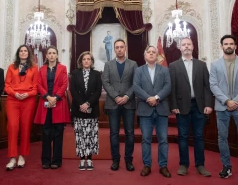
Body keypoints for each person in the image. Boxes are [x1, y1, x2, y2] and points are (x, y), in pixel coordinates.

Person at [209, 35, 238, 181]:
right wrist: (227, 101)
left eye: (231, 43)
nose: (228, 46)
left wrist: (236, 101)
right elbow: (213, 85)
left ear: (235, 46)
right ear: (221, 46)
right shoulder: (214, 64)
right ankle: (226, 166)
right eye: (226, 43)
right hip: (222, 107)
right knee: (222, 138)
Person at [168, 37, 213, 177]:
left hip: (199, 106)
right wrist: (173, 105)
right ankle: (184, 164)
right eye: (184, 45)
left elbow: (207, 86)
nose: (186, 46)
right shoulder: (173, 66)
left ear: (193, 47)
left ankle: (200, 165)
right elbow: (172, 88)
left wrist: (208, 104)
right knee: (183, 136)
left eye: (189, 44)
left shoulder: (201, 65)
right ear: (180, 48)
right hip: (181, 107)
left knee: (199, 136)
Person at [133, 46, 171, 178]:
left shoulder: (165, 70)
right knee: (146, 139)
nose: (151, 54)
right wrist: (148, 98)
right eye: (148, 52)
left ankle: (163, 166)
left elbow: (168, 86)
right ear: (145, 56)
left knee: (163, 139)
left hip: (161, 109)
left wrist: (156, 98)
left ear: (157, 55)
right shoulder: (138, 70)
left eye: (153, 52)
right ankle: (147, 165)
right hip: (145, 109)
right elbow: (136, 87)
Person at [102, 39, 138, 171]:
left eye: (121, 47)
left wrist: (127, 96)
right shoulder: (108, 64)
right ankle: (115, 160)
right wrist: (116, 96)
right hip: (113, 103)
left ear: (125, 48)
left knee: (130, 133)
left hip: (129, 103)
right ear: (114, 49)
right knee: (114, 133)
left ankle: (129, 160)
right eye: (116, 47)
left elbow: (136, 83)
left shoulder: (133, 64)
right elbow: (105, 82)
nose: (119, 49)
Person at [34, 46, 71, 169]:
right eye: (49, 53)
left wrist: (54, 98)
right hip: (45, 103)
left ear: (57, 55)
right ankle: (45, 160)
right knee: (45, 132)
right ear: (46, 55)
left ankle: (56, 160)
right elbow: (38, 84)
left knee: (58, 133)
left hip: (58, 103)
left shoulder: (63, 68)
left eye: (53, 53)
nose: (51, 55)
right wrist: (47, 96)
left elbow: (64, 84)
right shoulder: (42, 69)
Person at [4, 45, 38, 170]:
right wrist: (15, 93)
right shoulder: (11, 67)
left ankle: (22, 156)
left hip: (28, 101)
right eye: (21, 51)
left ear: (28, 54)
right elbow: (7, 86)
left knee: (25, 128)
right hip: (13, 100)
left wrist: (27, 94)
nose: (23, 53)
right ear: (18, 53)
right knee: (12, 127)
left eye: (25, 51)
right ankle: (12, 157)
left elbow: (35, 88)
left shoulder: (34, 68)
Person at [70, 51, 102, 171]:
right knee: (80, 135)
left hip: (92, 109)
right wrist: (81, 104)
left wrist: (88, 103)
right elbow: (73, 90)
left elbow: (98, 91)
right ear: (81, 61)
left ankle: (89, 159)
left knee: (91, 135)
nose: (86, 61)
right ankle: (81, 160)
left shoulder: (97, 74)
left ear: (92, 61)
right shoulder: (75, 73)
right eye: (84, 59)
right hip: (78, 109)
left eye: (89, 59)